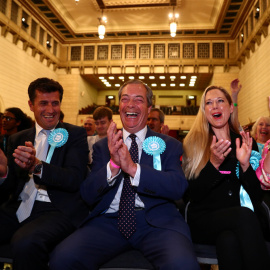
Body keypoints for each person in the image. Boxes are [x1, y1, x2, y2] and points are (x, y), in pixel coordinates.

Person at [50, 79, 200, 270]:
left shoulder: (169, 145)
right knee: (62, 258)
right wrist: (112, 165)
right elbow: (87, 193)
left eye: (138, 99)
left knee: (183, 264)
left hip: (157, 224)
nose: (130, 104)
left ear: (148, 107)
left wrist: (132, 168)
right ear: (119, 106)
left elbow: (178, 187)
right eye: (125, 99)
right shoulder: (103, 147)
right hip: (108, 222)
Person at [0, 78, 89, 270]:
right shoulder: (18, 138)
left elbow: (74, 179)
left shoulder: (75, 135)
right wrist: (3, 174)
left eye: (55, 103)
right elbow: (11, 187)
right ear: (31, 105)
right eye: (43, 103)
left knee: (25, 243)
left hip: (57, 209)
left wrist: (37, 166)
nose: (50, 110)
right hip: (20, 206)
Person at [182, 85, 270, 270]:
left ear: (231, 107)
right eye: (209, 103)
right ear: (204, 111)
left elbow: (255, 196)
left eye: (220, 101)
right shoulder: (193, 143)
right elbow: (193, 194)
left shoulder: (246, 141)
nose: (215, 106)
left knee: (228, 241)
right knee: (244, 216)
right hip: (205, 219)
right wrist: (213, 164)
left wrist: (246, 165)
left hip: (238, 221)